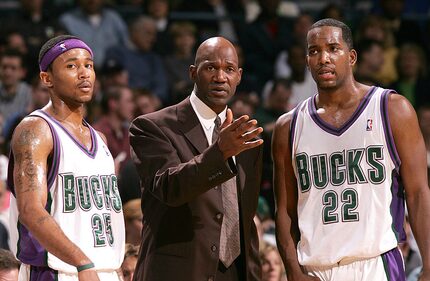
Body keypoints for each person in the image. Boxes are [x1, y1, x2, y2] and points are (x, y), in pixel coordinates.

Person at [272, 18, 430, 281]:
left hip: (376, 265)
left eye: (333, 48)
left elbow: (418, 193)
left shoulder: (392, 109)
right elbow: (285, 211)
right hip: (315, 268)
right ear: (307, 60)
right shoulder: (288, 126)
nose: (324, 58)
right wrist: (293, 271)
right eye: (314, 51)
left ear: (352, 56)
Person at [129, 36, 264, 281]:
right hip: (177, 273)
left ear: (239, 76)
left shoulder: (246, 137)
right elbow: (170, 188)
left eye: (229, 69)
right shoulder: (152, 127)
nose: (220, 77)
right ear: (193, 72)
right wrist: (219, 152)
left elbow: (245, 223)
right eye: (211, 67)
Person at [7, 35, 125, 281]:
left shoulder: (101, 140)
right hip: (60, 270)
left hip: (104, 269)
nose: (84, 73)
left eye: (89, 65)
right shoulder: (36, 130)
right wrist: (81, 263)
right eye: (71, 66)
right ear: (46, 78)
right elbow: (30, 210)